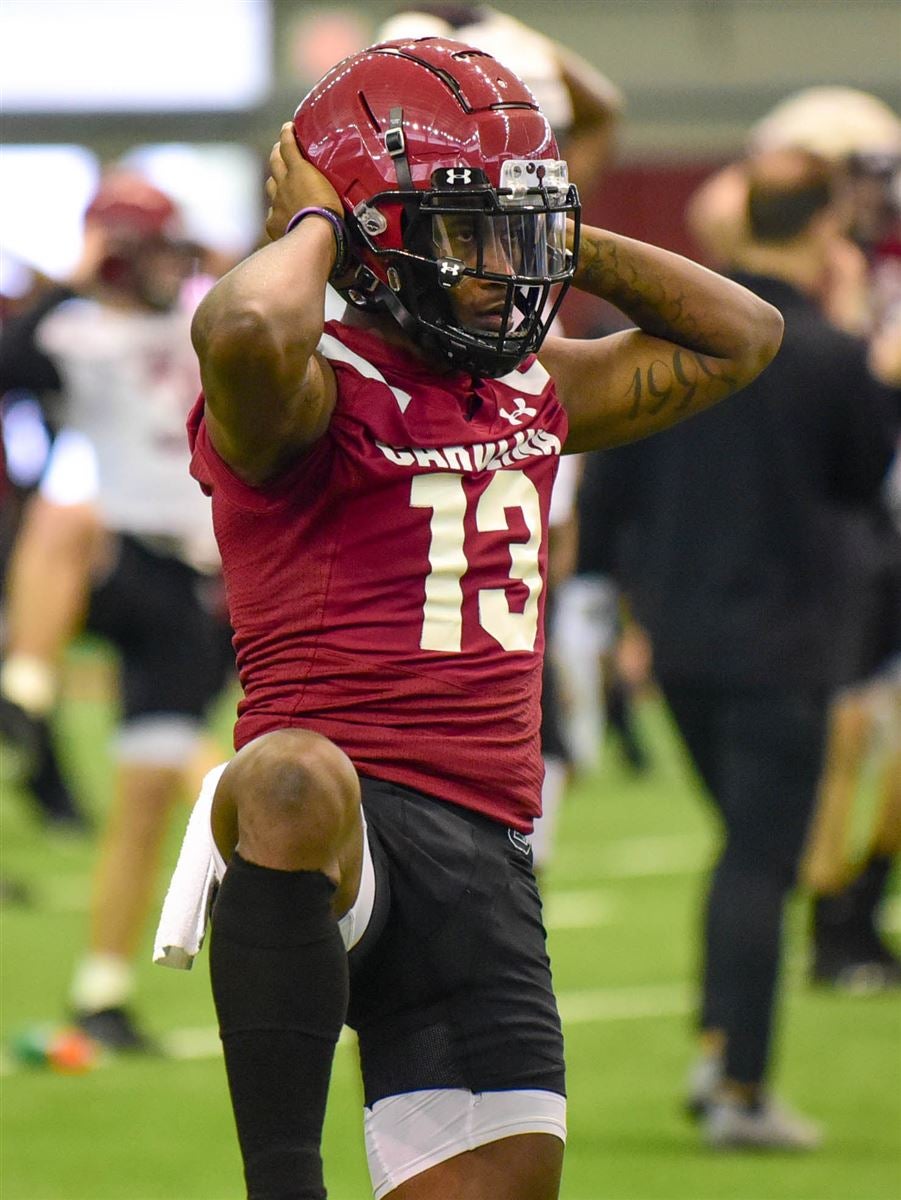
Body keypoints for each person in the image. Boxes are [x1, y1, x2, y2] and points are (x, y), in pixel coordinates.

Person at [157, 37, 781, 1199]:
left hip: (483, 859)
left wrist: (543, 223)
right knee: (290, 772)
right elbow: (241, 329)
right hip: (332, 835)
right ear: (364, 237)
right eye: (472, 234)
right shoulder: (301, 385)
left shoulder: (534, 387)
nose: (507, 267)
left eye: (515, 233)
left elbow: (742, 334)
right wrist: (316, 226)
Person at [577, 147, 898, 1151]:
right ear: (821, 231)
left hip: (677, 640)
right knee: (762, 861)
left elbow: (610, 488)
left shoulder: (669, 337)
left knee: (742, 853)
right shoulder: (822, 351)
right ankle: (739, 1083)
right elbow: (866, 485)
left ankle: (722, 1052)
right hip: (786, 642)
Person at [0, 170, 235, 1050]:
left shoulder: (207, 320)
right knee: (65, 514)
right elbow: (8, 365)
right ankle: (23, 688)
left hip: (197, 589)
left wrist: (227, 261)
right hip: (121, 562)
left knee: (144, 799)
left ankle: (100, 993)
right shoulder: (75, 330)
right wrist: (70, 276)